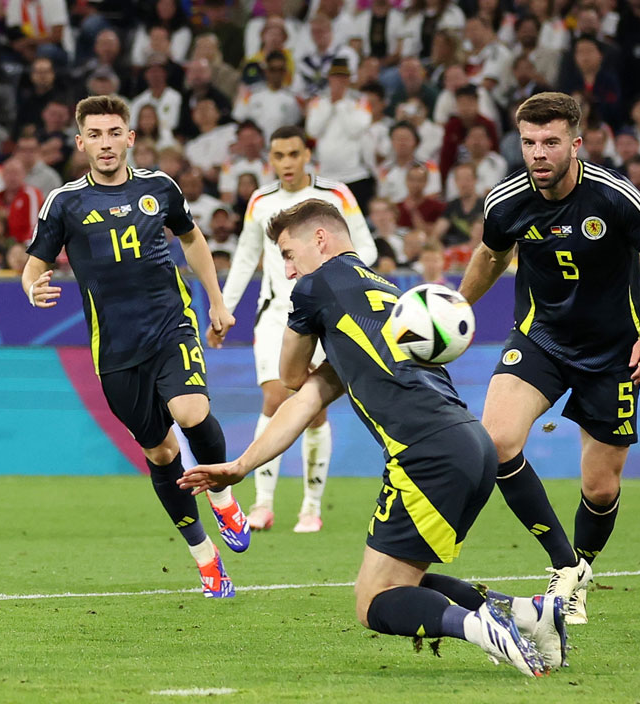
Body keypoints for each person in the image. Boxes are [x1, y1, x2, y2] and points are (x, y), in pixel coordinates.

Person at [179, 199, 565, 678]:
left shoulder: (318, 286)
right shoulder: (379, 293)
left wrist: (304, 344)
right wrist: (241, 465)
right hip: (471, 443)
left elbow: (290, 377)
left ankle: (482, 626)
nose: (286, 267)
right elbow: (305, 402)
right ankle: (529, 614)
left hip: (424, 452)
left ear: (320, 239)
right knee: (405, 579)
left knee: (374, 602)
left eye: (287, 252)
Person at [460, 93, 640, 624]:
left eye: (550, 142)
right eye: (528, 143)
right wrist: (454, 307)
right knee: (495, 442)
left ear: (575, 144)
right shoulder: (507, 202)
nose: (538, 153)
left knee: (601, 486)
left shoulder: (614, 197)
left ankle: (582, 568)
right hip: (540, 339)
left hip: (613, 353)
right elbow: (492, 254)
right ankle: (564, 568)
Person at [23, 95, 249, 598]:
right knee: (161, 451)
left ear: (130, 138)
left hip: (172, 327)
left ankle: (223, 494)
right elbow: (34, 265)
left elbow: (191, 240)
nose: (106, 144)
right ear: (81, 143)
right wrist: (32, 287)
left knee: (191, 413)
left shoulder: (160, 188)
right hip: (116, 353)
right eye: (95, 135)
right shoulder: (64, 203)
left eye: (114, 133)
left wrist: (216, 300)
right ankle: (204, 557)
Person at [213, 125, 377, 533]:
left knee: (314, 408)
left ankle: (310, 506)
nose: (286, 163)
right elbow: (246, 257)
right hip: (274, 315)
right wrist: (224, 310)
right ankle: (263, 503)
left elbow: (366, 248)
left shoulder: (336, 195)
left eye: (293, 154)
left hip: (325, 314)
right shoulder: (260, 201)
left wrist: (344, 286)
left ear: (308, 155)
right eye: (278, 155)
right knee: (274, 397)